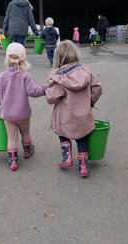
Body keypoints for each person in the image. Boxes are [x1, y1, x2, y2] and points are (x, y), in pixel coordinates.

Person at [45, 40, 102, 178]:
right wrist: (90, 101)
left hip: (65, 117)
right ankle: (83, 166)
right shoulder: (86, 72)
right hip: (83, 116)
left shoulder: (59, 78)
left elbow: (51, 97)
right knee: (82, 138)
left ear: (58, 57)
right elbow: (97, 89)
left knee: (63, 134)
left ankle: (67, 158)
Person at [0, 43, 47, 171]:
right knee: (25, 132)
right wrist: (46, 88)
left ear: (7, 58)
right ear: (23, 59)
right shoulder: (25, 75)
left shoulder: (1, 76)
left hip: (8, 114)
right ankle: (28, 151)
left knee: (12, 138)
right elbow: (33, 91)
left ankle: (13, 161)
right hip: (23, 114)